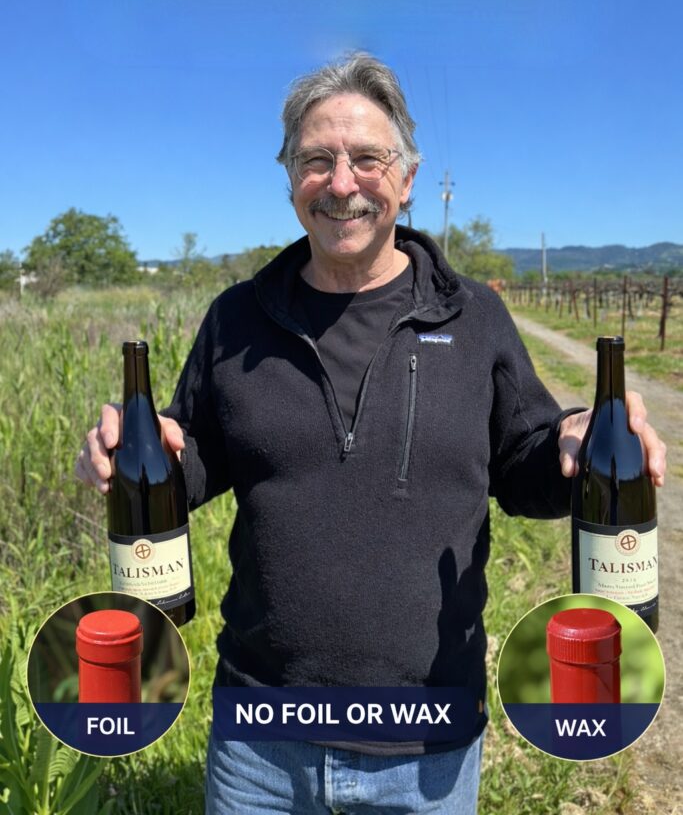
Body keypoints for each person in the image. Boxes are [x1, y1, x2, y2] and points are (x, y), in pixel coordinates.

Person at [76, 53, 666, 815]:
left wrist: (571, 447)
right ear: (290, 179)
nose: (341, 183)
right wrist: (134, 450)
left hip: (426, 743)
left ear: (407, 178)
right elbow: (193, 462)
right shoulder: (236, 319)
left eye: (366, 158)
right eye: (315, 160)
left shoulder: (473, 316)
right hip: (261, 739)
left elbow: (522, 466)